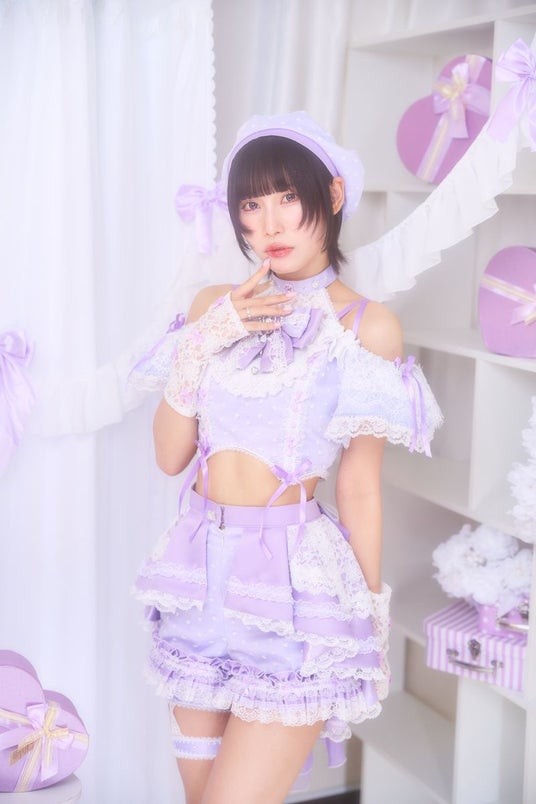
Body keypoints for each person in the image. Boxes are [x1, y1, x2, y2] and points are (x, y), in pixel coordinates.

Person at [132, 111, 443, 804]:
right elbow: (170, 456)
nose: (268, 224)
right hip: (197, 575)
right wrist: (201, 342)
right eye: (250, 205)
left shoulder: (368, 326)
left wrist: (368, 614)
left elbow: (359, 487)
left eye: (286, 198)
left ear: (331, 195)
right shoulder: (214, 305)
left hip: (297, 590)